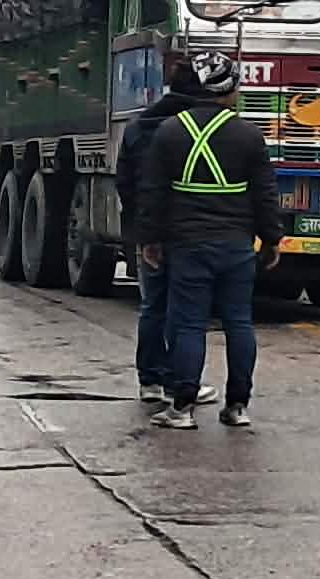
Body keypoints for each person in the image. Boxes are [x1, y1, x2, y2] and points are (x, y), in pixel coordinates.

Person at [129, 48, 282, 429]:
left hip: (188, 246)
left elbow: (153, 193)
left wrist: (150, 240)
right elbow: (265, 195)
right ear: (229, 90)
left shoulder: (169, 132)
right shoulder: (249, 135)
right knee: (239, 323)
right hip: (237, 247)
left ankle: (181, 408)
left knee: (189, 325)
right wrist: (271, 240)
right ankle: (237, 406)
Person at [115, 58, 197, 398]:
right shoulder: (196, 129)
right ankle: (178, 380)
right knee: (185, 308)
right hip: (187, 230)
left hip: (147, 229)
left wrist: (140, 221)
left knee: (152, 305)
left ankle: (149, 380)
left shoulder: (138, 126)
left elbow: (123, 181)